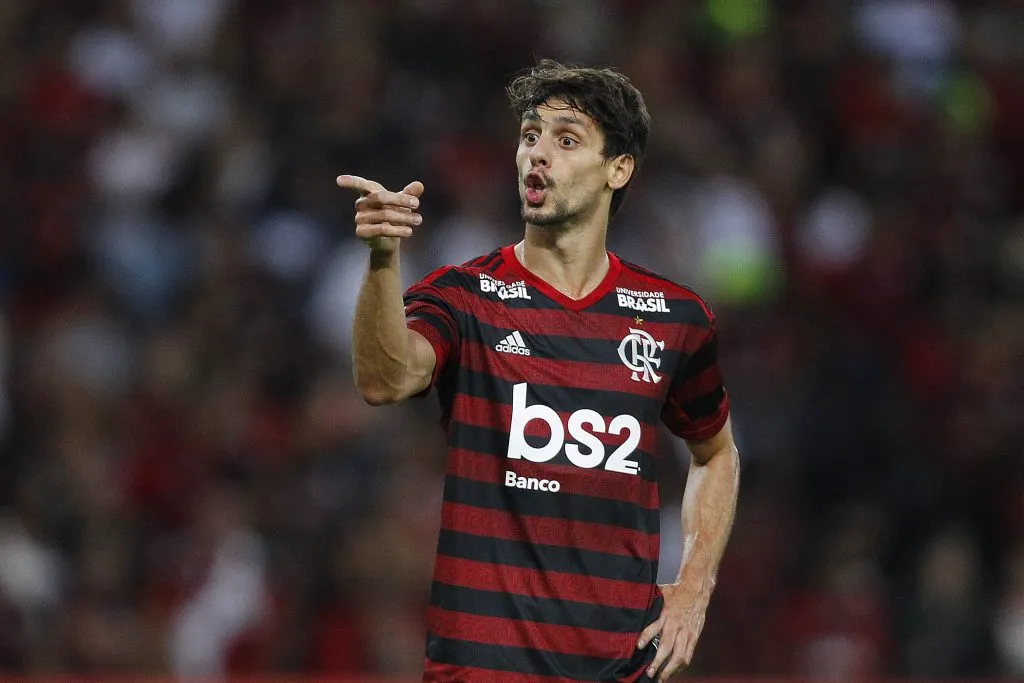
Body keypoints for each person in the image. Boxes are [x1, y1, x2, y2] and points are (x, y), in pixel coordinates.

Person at [338, 59, 740, 683]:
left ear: (619, 169)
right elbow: (384, 380)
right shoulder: (465, 295)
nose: (537, 155)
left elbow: (715, 455)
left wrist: (693, 586)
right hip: (481, 666)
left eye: (566, 139)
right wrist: (383, 260)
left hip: (618, 667)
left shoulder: (674, 318)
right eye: (529, 136)